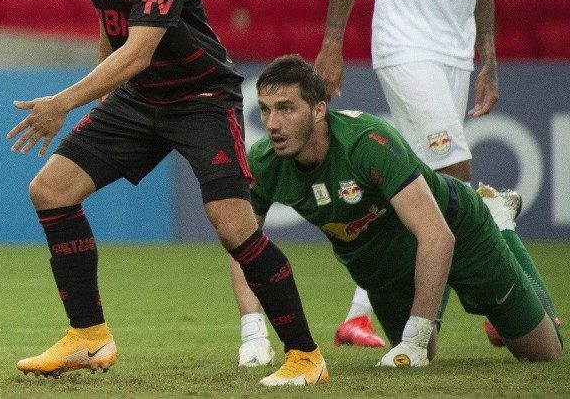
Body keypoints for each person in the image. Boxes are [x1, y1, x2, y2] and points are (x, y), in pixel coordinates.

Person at [7, 0, 328, 387]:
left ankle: (305, 356)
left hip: (200, 97)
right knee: (51, 191)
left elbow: (141, 48)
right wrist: (104, 95)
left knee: (233, 225)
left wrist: (64, 102)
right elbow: (112, 23)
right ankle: (88, 337)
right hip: (139, 97)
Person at [307, 0, 510, 352]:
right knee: (457, 177)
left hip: (454, 54)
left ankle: (360, 316)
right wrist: (331, 43)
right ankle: (502, 296)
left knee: (414, 189)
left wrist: (488, 55)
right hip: (403, 48)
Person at [231, 55, 561, 367]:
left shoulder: (367, 143)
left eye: (286, 109)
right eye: (264, 110)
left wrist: (414, 341)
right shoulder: (264, 162)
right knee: (424, 356)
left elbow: (437, 236)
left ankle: (500, 223)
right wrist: (253, 333)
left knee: (543, 352)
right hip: (381, 270)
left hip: (458, 229)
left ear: (318, 110)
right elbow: (244, 246)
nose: (271, 123)